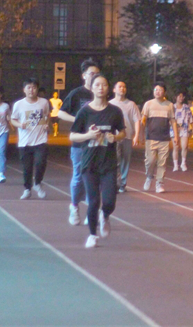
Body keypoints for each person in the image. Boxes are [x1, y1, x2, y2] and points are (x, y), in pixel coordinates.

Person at [70, 74, 126, 248]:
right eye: (97, 85)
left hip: (108, 162)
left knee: (109, 201)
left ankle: (105, 215)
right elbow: (72, 136)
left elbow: (123, 132)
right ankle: (92, 235)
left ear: (108, 88)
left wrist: (115, 137)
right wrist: (88, 135)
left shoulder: (115, 111)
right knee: (93, 201)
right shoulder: (84, 112)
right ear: (92, 88)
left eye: (104, 85)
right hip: (89, 163)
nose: (101, 88)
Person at [58, 58, 100, 225]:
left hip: (97, 142)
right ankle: (74, 206)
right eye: (91, 73)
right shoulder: (77, 93)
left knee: (94, 177)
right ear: (84, 75)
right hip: (80, 143)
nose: (94, 76)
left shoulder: (101, 94)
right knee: (78, 177)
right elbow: (61, 113)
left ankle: (91, 211)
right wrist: (77, 119)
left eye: (97, 74)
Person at [11, 78, 50, 200]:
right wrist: (20, 125)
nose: (31, 90)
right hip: (25, 142)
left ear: (37, 89)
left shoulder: (44, 102)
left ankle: (37, 183)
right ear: (24, 89)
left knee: (40, 163)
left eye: (34, 87)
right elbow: (13, 119)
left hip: (40, 140)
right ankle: (27, 189)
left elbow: (47, 115)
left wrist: (47, 124)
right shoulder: (18, 104)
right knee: (27, 168)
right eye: (29, 87)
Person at [141, 82, 179, 193]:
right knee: (150, 161)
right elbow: (143, 119)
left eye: (160, 90)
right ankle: (149, 176)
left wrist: (176, 136)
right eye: (156, 90)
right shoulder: (148, 104)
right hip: (151, 137)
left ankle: (159, 183)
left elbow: (173, 121)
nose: (158, 92)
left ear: (164, 92)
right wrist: (140, 133)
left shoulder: (169, 105)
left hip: (164, 138)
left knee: (162, 163)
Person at [109, 81, 141, 193]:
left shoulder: (131, 104)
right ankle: (114, 183)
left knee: (125, 161)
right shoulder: (110, 104)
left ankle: (122, 184)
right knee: (115, 160)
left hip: (127, 136)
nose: (122, 88)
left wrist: (136, 135)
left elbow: (137, 120)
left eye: (124, 87)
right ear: (114, 90)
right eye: (120, 87)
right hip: (114, 137)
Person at [171, 92, 193, 172]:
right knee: (176, 147)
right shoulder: (172, 107)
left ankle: (183, 163)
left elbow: (191, 118)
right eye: (179, 96)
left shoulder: (186, 107)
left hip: (184, 129)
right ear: (176, 97)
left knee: (184, 146)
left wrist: (192, 128)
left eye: (182, 96)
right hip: (174, 130)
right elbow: (169, 118)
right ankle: (175, 165)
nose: (181, 98)